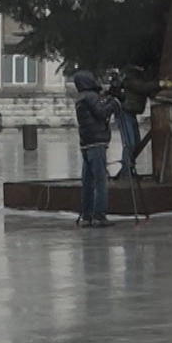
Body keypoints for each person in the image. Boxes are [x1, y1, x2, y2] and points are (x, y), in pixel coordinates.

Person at [72, 70, 121, 228]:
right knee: (100, 181)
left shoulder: (81, 98)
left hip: (86, 143)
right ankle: (100, 215)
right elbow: (101, 113)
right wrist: (113, 104)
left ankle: (87, 216)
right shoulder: (91, 97)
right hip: (97, 142)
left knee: (87, 181)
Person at [112, 67, 160, 181]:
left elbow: (147, 90)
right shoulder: (131, 81)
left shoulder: (139, 82)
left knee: (136, 143)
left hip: (131, 113)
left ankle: (130, 169)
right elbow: (143, 88)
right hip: (124, 112)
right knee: (130, 143)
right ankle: (126, 173)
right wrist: (160, 83)